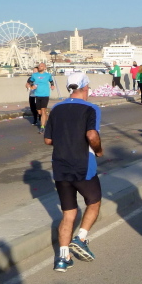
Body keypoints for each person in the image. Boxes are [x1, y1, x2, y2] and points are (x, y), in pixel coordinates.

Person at [44, 73, 103, 272]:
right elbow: (92, 135)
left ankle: (63, 258)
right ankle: (81, 238)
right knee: (94, 202)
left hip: (60, 166)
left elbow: (48, 140)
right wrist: (98, 150)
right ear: (85, 88)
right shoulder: (91, 108)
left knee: (68, 213)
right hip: (82, 165)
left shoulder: (56, 108)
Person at [27, 62, 55, 134]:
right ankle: (48, 119)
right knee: (39, 112)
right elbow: (30, 82)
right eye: (39, 66)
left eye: (41, 66)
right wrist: (31, 86)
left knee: (43, 110)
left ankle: (42, 127)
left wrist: (52, 85)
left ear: (45, 68)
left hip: (45, 94)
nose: (40, 67)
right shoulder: (34, 75)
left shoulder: (48, 75)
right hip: (37, 94)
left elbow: (51, 81)